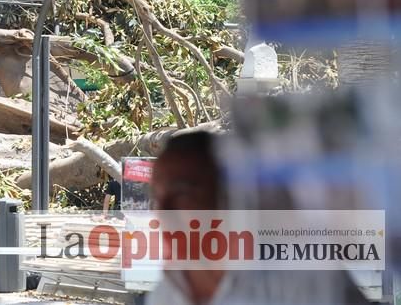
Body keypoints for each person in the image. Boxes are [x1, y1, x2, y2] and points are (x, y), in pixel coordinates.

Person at [146, 131, 369, 305]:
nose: (164, 211)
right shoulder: (166, 293)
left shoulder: (304, 279)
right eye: (157, 196)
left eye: (183, 194)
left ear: (230, 196)